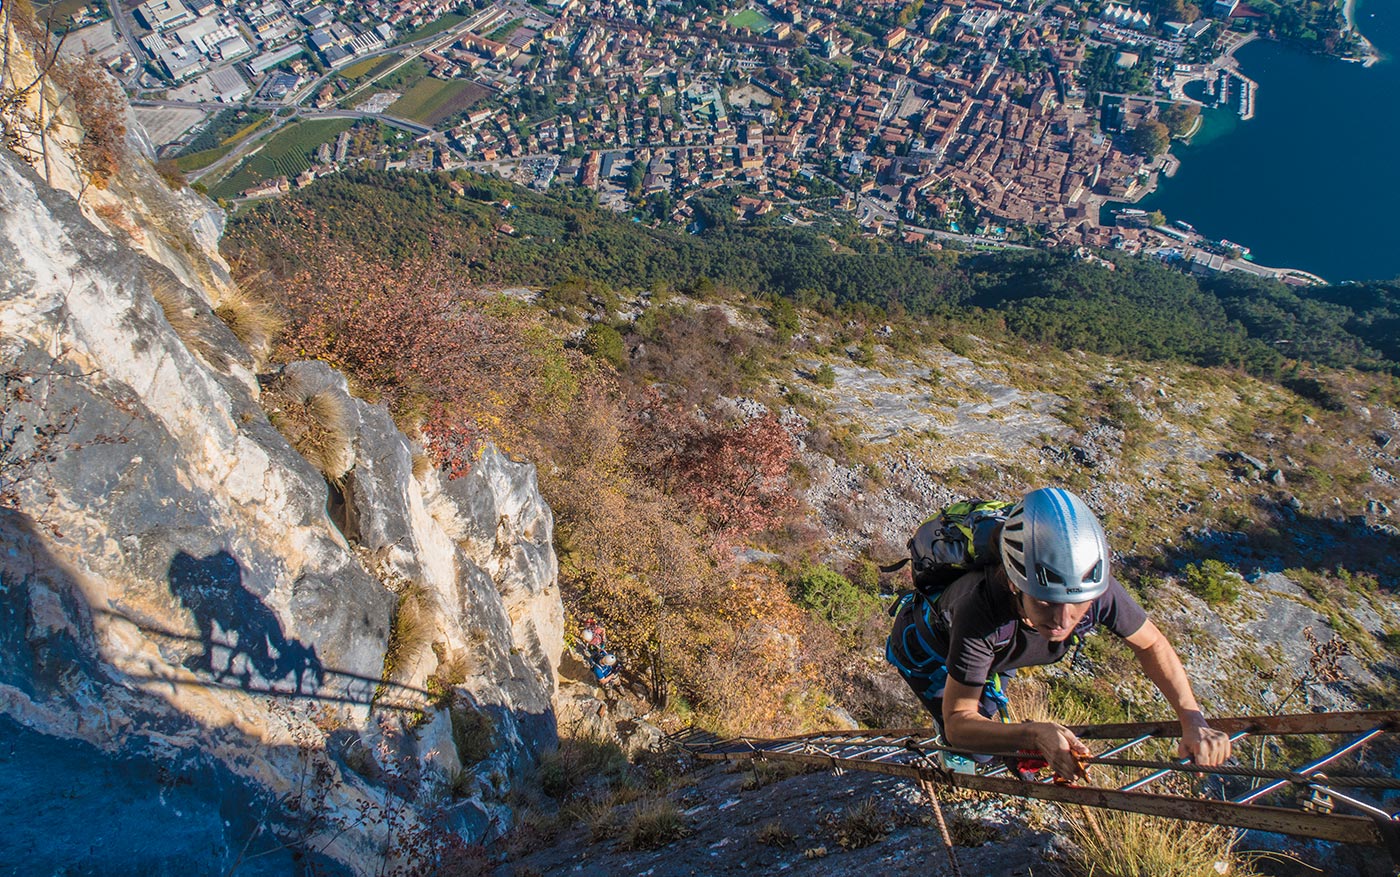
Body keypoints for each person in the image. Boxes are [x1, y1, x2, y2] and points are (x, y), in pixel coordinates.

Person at [885, 487, 1232, 780]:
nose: (1063, 620)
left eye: (1077, 605)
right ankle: (959, 761)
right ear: (1013, 584)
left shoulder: (1092, 589)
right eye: (1045, 602)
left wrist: (1192, 717)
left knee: (994, 730)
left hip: (999, 653)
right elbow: (960, 722)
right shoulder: (980, 609)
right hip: (927, 654)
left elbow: (1152, 643)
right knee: (973, 748)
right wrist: (1033, 735)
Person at [579, 617, 618, 686]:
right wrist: (613, 674)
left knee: (615, 680)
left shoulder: (594, 632)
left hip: (598, 649)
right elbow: (603, 681)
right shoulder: (598, 668)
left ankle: (618, 685)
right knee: (608, 684)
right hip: (595, 653)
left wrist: (603, 639)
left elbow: (602, 630)